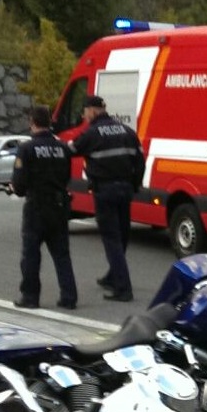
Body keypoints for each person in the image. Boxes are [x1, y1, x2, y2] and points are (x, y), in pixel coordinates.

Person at [70, 95, 146, 301]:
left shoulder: (92, 133)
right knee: (122, 236)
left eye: (85, 112)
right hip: (125, 189)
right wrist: (134, 185)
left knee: (112, 239)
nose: (84, 116)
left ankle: (123, 288)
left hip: (105, 191)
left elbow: (70, 150)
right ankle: (113, 276)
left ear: (93, 111)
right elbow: (140, 161)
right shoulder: (127, 131)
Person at [11, 105, 78, 309]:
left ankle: (30, 297)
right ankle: (69, 297)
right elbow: (67, 176)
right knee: (61, 255)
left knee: (31, 254)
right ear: (50, 122)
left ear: (32, 122)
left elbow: (20, 185)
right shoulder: (63, 148)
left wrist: (16, 188)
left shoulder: (27, 149)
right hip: (59, 206)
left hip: (36, 207)